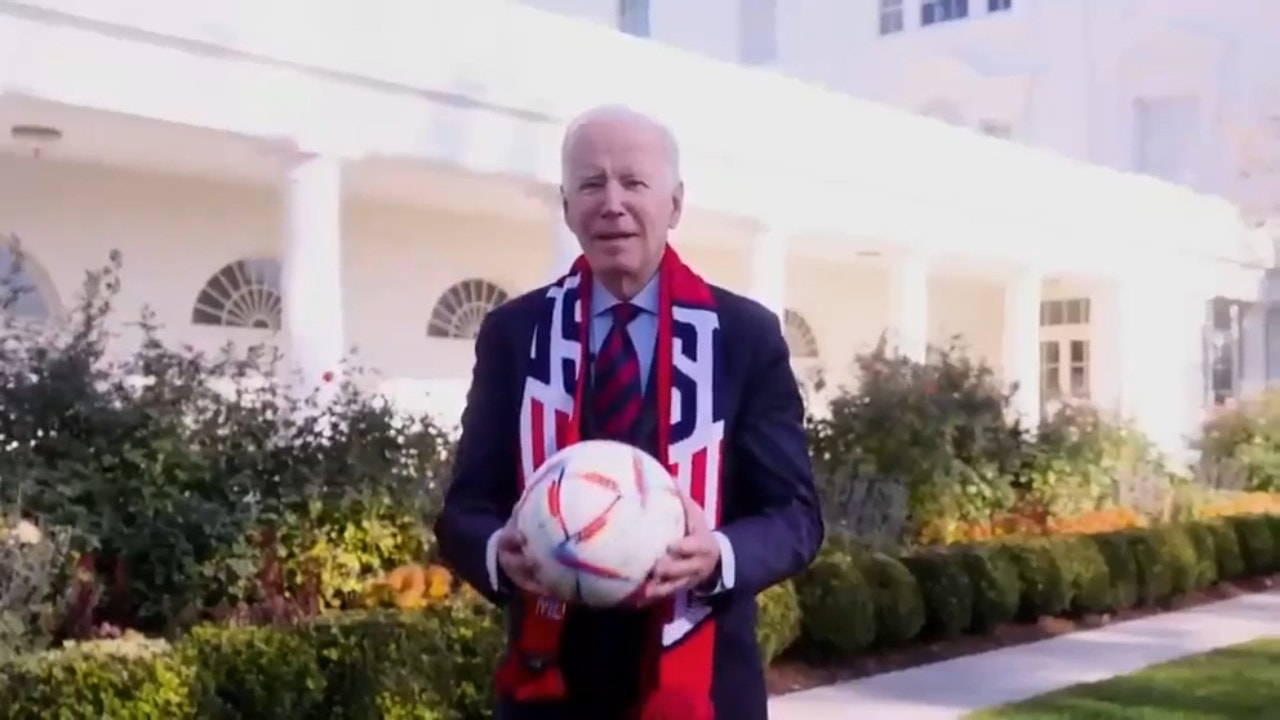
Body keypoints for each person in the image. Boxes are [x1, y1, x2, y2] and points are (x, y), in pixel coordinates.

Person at [434, 104, 823, 720]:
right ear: (567, 208)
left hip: (704, 687)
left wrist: (718, 554)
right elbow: (465, 507)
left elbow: (795, 516)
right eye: (591, 184)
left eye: (633, 182)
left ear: (674, 204)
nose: (611, 202)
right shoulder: (516, 333)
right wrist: (496, 552)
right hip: (551, 690)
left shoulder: (743, 336)